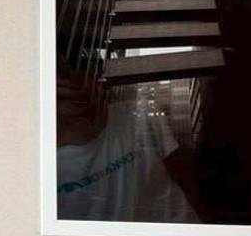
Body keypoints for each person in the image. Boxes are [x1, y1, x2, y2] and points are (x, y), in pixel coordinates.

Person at [56, 61, 200, 224]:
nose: (74, 89)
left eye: (85, 75)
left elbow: (183, 173)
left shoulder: (139, 113)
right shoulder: (43, 162)